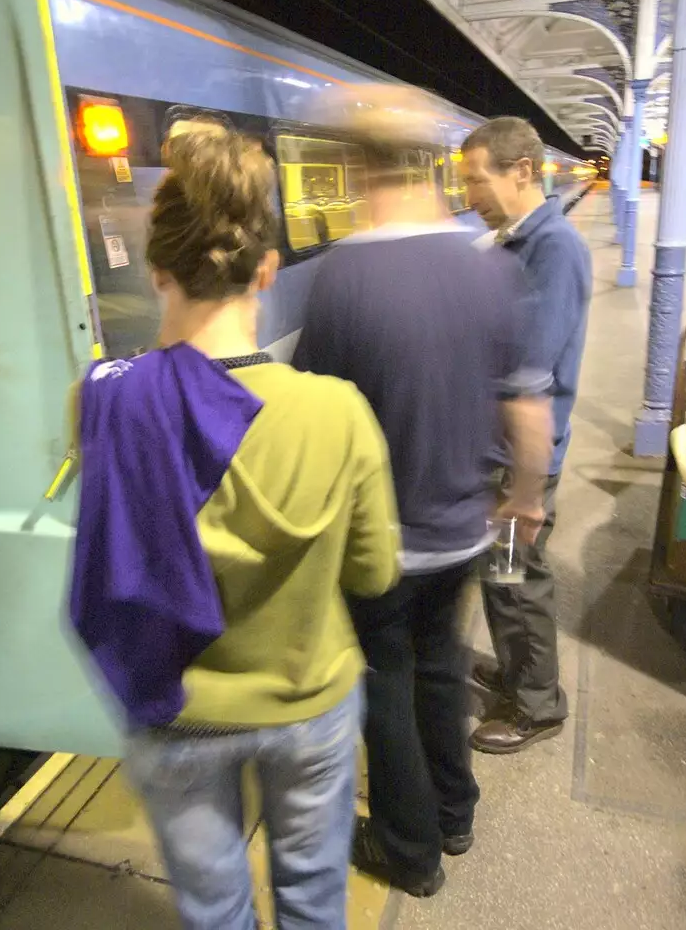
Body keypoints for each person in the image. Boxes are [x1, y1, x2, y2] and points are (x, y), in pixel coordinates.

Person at [68, 130, 401, 930]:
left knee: (214, 910)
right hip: (308, 700)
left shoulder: (104, 400)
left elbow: (125, 542)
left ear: (156, 269)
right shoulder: (338, 411)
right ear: (268, 269)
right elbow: (374, 574)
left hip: (175, 706)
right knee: (315, 898)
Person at [294, 86, 553, 897]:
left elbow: (315, 411)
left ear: (360, 169)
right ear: (432, 170)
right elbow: (528, 407)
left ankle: (409, 851)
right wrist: (526, 499)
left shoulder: (343, 275)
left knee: (387, 679)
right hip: (467, 524)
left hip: (385, 538)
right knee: (441, 664)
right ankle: (455, 813)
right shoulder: (488, 267)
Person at [460, 116, 593, 755]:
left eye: (476, 179)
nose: (467, 196)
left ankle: (539, 705)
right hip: (500, 458)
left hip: (519, 465)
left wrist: (528, 493)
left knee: (516, 583)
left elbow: (531, 386)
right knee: (501, 580)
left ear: (522, 170)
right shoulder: (513, 244)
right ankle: (518, 674)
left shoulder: (553, 249)